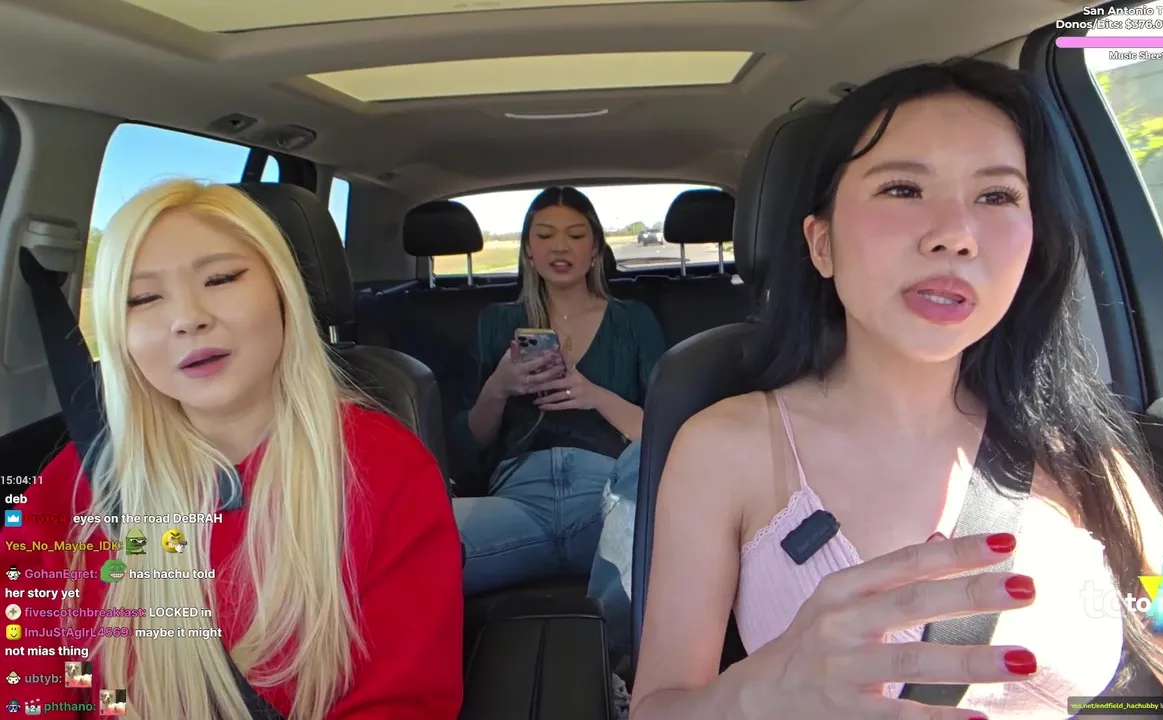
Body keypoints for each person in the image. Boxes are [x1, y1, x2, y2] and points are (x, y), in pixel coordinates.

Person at [631, 59, 1163, 719]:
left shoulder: (1080, 457)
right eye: (903, 189)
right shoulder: (726, 449)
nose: (956, 235)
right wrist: (757, 694)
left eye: (996, 197)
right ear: (821, 244)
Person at [4, 180, 464, 718]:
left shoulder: (385, 470)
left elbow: (403, 698)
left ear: (282, 291)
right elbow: (27, 660)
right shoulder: (83, 479)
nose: (187, 318)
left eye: (220, 278)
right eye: (143, 298)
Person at [451, 186, 666, 659]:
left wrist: (594, 395)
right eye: (545, 235)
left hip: (610, 501)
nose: (560, 247)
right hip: (516, 505)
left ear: (595, 249)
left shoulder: (634, 321)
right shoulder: (496, 322)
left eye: (575, 235)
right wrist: (500, 386)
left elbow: (665, 434)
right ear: (528, 250)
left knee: (647, 487)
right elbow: (470, 444)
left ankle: (619, 667)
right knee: (411, 538)